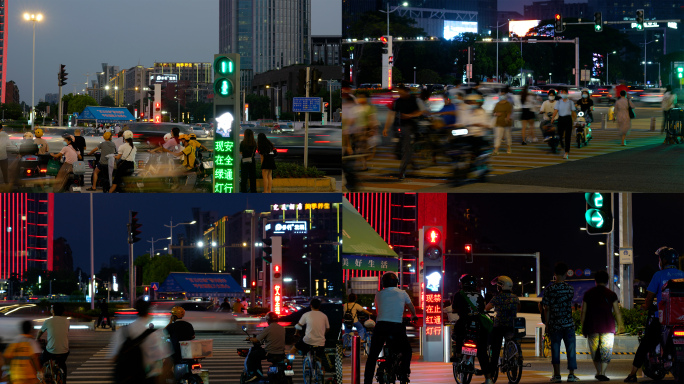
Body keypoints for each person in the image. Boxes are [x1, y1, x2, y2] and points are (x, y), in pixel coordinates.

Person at [624, 247, 684, 382]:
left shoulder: (658, 275)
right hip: (682, 320)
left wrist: (645, 307)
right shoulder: (682, 274)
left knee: (645, 343)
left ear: (663, 261)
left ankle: (633, 374)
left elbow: (649, 298)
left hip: (663, 319)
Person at [364, 272, 417, 384]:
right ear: (396, 283)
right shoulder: (403, 293)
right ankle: (403, 373)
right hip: (396, 327)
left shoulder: (378, 294)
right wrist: (413, 315)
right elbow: (411, 306)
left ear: (383, 283)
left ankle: (367, 381)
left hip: (381, 326)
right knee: (407, 350)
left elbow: (378, 311)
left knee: (373, 356)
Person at [110, 299, 171, 384]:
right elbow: (163, 361)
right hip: (145, 378)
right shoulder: (155, 334)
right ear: (149, 312)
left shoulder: (122, 331)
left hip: (124, 379)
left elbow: (113, 358)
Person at [580, 270, 624, 381]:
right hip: (608, 327)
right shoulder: (611, 294)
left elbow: (583, 312)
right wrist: (621, 325)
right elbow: (617, 312)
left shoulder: (588, 293)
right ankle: (603, 373)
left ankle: (598, 371)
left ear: (595, 281)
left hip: (592, 326)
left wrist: (582, 325)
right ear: (607, 281)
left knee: (595, 350)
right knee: (606, 350)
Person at [541, 262, 579, 383]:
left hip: (555, 325)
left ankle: (557, 376)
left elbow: (546, 308)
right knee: (571, 349)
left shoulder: (549, 290)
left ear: (555, 274)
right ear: (565, 274)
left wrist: (547, 325)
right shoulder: (570, 289)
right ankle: (571, 375)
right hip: (568, 324)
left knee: (555, 349)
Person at [451, 274, 491, 384]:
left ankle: (458, 354)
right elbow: (482, 309)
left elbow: (454, 309)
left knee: (458, 335)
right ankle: (488, 378)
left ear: (462, 284)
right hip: (479, 325)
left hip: (465, 323)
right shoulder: (479, 296)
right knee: (482, 352)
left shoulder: (459, 294)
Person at [382, 85, 423, 180]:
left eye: (401, 92)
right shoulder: (398, 102)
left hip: (411, 126)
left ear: (407, 91)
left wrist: (410, 116)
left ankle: (402, 171)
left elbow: (420, 111)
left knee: (406, 148)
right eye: (398, 93)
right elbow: (391, 114)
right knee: (405, 148)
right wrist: (385, 128)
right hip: (400, 126)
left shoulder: (414, 100)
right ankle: (413, 164)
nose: (399, 94)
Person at [485, 276, 520, 384]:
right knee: (512, 344)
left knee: (495, 350)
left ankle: (491, 375)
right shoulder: (515, 297)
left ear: (500, 286)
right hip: (512, 326)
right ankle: (513, 372)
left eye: (498, 286)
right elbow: (518, 308)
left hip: (499, 326)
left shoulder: (497, 298)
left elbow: (486, 308)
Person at [245, 312, 286, 382]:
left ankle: (254, 374)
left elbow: (256, 339)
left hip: (270, 352)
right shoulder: (282, 328)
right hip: (281, 353)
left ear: (268, 320)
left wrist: (249, 339)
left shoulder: (268, 329)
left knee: (252, 355)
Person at [36, 303, 70, 382]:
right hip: (64, 351)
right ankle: (63, 379)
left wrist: (37, 339)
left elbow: (40, 332)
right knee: (62, 363)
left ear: (53, 311)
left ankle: (39, 376)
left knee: (40, 360)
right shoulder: (67, 321)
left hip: (51, 351)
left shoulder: (48, 321)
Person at [550, 89, 576, 159]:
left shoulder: (570, 102)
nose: (563, 94)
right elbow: (556, 110)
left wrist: (575, 121)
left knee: (568, 137)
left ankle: (566, 152)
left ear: (567, 94)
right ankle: (562, 146)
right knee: (560, 135)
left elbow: (573, 112)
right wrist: (552, 118)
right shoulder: (558, 102)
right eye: (562, 93)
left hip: (568, 119)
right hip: (561, 119)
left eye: (564, 93)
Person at [493, 87, 514, 155]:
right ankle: (496, 149)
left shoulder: (508, 104)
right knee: (498, 136)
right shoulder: (497, 104)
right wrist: (496, 114)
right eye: (500, 95)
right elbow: (494, 112)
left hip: (506, 122)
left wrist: (508, 118)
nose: (501, 96)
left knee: (508, 136)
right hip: (499, 122)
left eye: (502, 94)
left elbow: (509, 112)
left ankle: (508, 148)